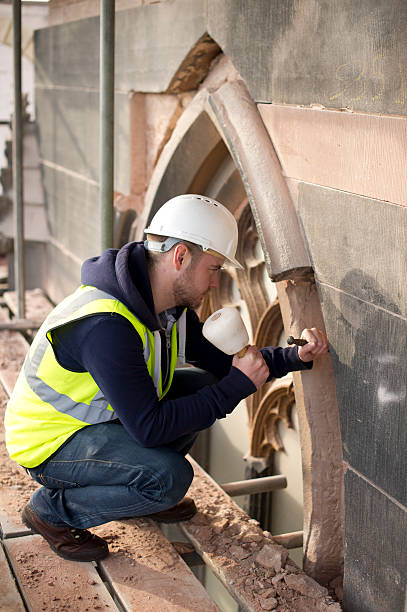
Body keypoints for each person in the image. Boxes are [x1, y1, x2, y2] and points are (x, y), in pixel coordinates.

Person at [4, 194, 329, 562]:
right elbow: (150, 428)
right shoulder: (106, 326)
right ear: (180, 257)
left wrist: (294, 356)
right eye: (214, 268)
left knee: (201, 387)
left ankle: (139, 491)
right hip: (50, 445)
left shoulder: (166, 308)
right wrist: (236, 388)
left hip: (95, 424)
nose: (214, 283)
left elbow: (224, 362)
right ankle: (51, 512)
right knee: (170, 477)